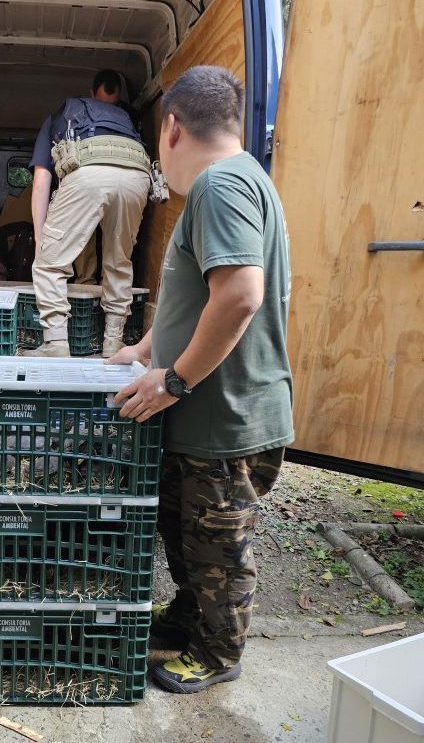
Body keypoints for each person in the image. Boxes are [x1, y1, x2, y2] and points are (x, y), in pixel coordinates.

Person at [110, 65, 294, 693]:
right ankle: (191, 618)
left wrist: (173, 381)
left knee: (218, 549)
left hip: (224, 419)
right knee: (186, 531)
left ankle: (218, 653)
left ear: (171, 129)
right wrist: (144, 349)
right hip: (208, 414)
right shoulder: (240, 181)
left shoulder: (221, 185)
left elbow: (240, 294)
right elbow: (197, 295)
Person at [24, 69, 151, 358]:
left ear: (90, 93)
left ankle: (56, 343)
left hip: (89, 170)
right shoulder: (125, 118)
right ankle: (113, 342)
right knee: (119, 262)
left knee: (50, 265)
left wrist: (41, 240)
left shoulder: (60, 117)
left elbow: (41, 181)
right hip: (137, 175)